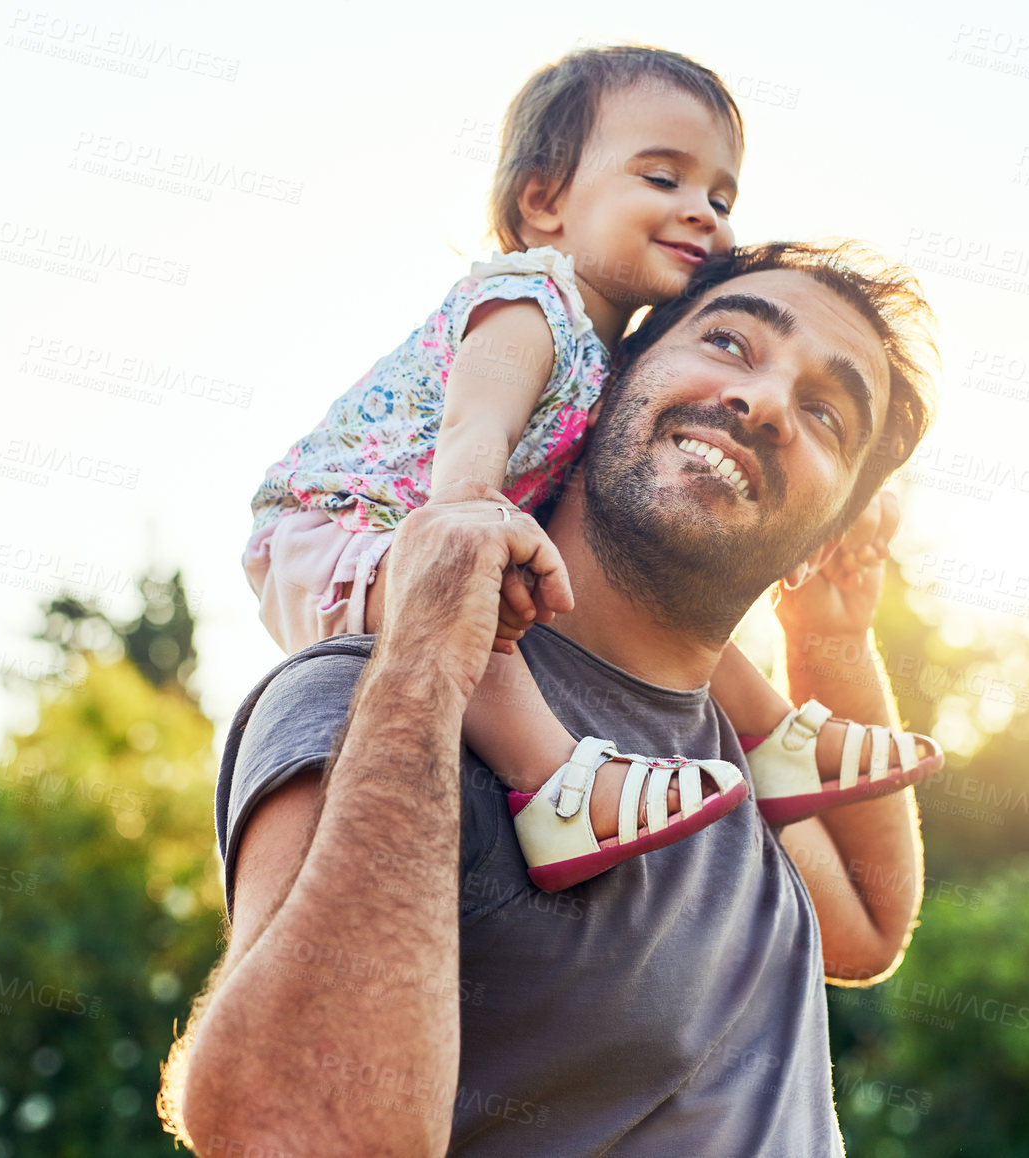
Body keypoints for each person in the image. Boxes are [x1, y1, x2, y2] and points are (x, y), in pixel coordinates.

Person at [162, 239, 939, 1154]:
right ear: (598, 391)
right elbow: (284, 1134)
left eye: (826, 414)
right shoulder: (373, 694)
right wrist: (424, 652)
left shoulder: (731, 763)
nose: (765, 403)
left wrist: (833, 638)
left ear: (817, 543)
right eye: (729, 344)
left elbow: (871, 929)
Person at [243, 46, 939, 891]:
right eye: (663, 179)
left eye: (720, 198)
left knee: (665, 600)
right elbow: (476, 423)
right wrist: (470, 515)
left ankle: (776, 743)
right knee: (467, 594)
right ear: (544, 200)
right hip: (342, 528)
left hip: (422, 531)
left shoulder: (609, 364)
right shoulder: (530, 301)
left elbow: (866, 933)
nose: (705, 216)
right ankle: (558, 785)